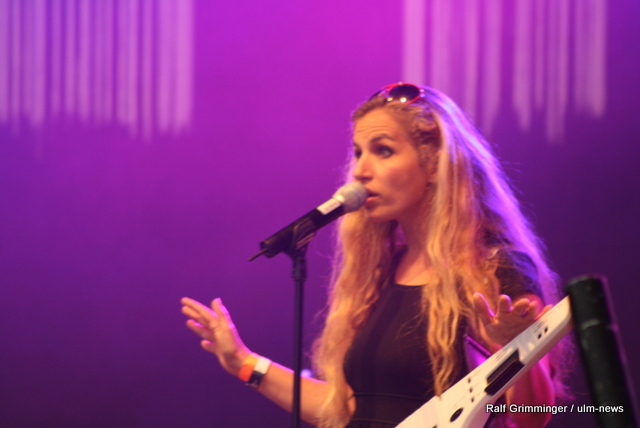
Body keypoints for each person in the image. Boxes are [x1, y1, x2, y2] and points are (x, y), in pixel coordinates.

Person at [181, 83, 569, 428]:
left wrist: (517, 347)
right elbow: (346, 408)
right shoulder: (380, 273)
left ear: (435, 163)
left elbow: (533, 416)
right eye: (358, 153)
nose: (360, 171)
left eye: (383, 151)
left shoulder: (496, 269)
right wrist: (244, 363)